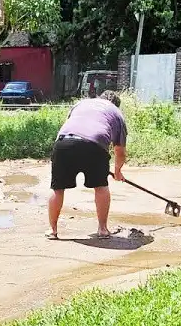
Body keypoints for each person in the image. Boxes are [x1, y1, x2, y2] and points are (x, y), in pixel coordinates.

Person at [48, 90, 127, 239]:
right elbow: (120, 151)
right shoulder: (116, 112)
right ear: (117, 104)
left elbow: (72, 124)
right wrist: (118, 171)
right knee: (101, 186)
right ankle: (102, 229)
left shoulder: (81, 104)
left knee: (57, 188)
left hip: (64, 143)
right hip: (94, 145)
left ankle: (53, 230)